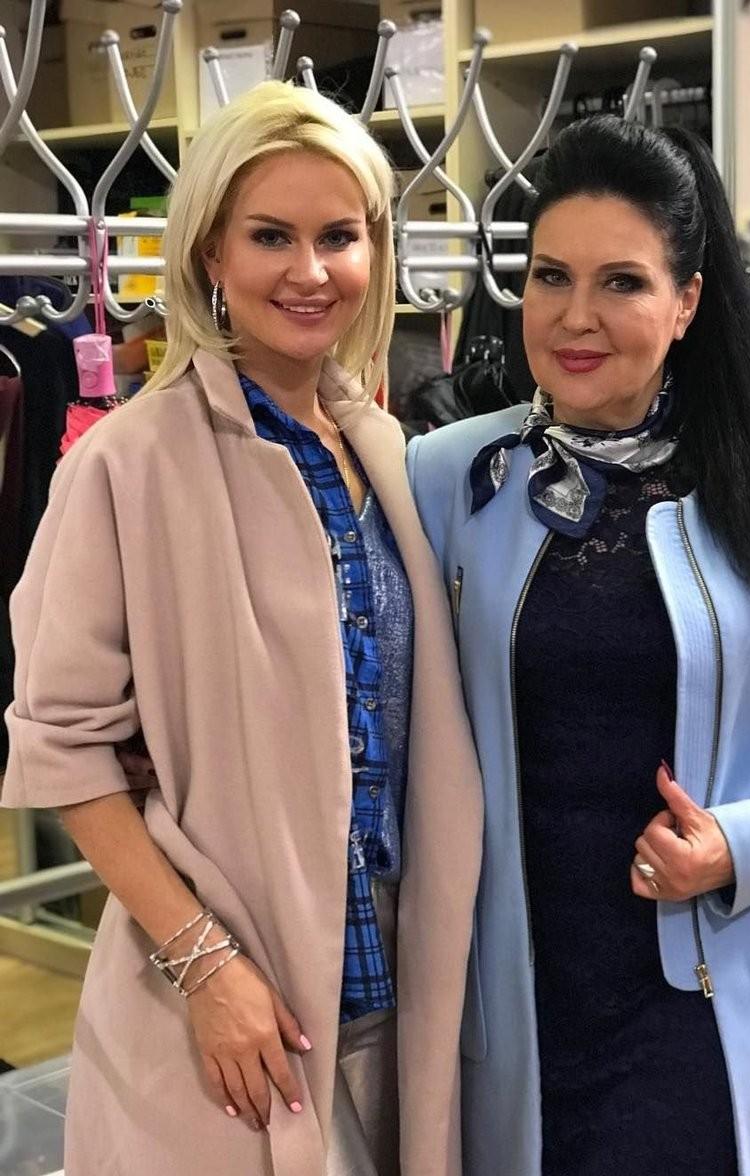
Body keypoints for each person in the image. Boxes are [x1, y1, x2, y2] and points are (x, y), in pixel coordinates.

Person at [406, 116, 750, 1176]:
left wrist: (743, 841)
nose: (575, 317)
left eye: (623, 283)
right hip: (517, 987)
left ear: (686, 302)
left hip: (707, 989)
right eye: (551, 276)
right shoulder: (447, 478)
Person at [1, 81, 481, 1176]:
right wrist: (205, 967)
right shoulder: (126, 463)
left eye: (338, 237)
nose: (310, 272)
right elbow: (64, 745)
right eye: (271, 236)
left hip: (395, 988)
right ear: (211, 250)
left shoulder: (393, 457)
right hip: (224, 1017)